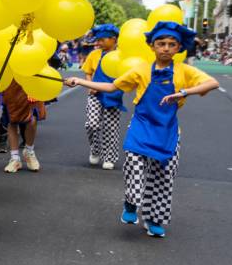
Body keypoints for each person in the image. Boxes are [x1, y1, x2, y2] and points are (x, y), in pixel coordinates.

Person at [64, 22, 219, 238]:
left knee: (164, 177)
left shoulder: (184, 71)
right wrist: (80, 81)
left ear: (178, 48)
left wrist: (184, 92)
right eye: (161, 43)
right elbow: (111, 86)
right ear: (152, 46)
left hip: (168, 132)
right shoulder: (141, 70)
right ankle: (131, 202)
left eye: (171, 44)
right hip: (141, 126)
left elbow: (212, 83)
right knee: (134, 168)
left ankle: (154, 219)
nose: (166, 48)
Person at [80, 24, 126, 170]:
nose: (97, 43)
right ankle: (95, 149)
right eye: (97, 40)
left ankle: (109, 157)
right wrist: (90, 85)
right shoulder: (94, 55)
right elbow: (88, 71)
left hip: (113, 95)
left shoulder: (122, 56)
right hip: (95, 94)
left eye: (101, 40)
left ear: (113, 39)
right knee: (91, 124)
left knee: (111, 128)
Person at [0, 80, 46, 174]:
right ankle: (15, 158)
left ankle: (29, 151)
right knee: (12, 121)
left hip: (31, 83)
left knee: (32, 120)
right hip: (11, 85)